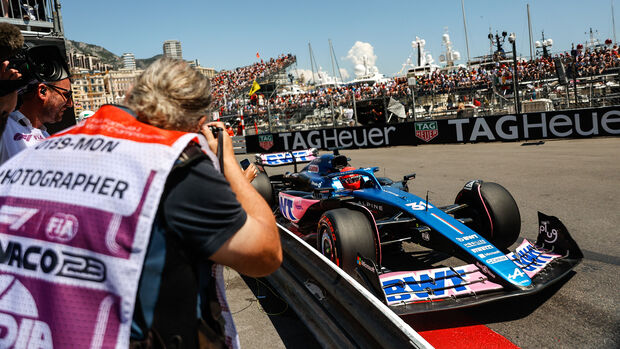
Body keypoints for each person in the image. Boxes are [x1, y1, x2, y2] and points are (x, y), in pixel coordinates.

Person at [0, 57, 281, 348]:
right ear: (196, 121)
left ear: (133, 93)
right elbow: (265, 254)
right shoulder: (173, 163)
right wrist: (226, 159)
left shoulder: (37, 150)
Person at [0, 77, 72, 163]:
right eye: (66, 95)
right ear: (42, 91)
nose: (70, 104)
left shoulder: (47, 137)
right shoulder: (5, 126)